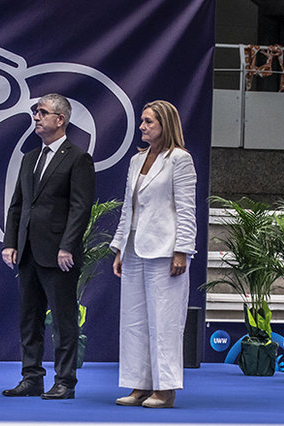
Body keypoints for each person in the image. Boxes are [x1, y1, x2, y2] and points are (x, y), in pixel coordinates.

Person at [1, 93, 95, 400]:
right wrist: (11, 242)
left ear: (60, 119)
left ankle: (65, 381)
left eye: (42, 112)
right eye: (35, 112)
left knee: (63, 319)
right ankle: (31, 377)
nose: (36, 117)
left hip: (59, 255)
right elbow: (17, 205)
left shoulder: (78, 158)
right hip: (28, 251)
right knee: (29, 317)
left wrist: (68, 246)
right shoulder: (29, 158)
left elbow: (81, 208)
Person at [109, 100, 197, 408]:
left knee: (165, 322)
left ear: (165, 125)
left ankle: (166, 388)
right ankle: (140, 385)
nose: (143, 126)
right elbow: (127, 208)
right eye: (142, 122)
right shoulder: (137, 160)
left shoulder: (180, 160)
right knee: (134, 321)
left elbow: (187, 209)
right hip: (134, 248)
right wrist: (119, 247)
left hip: (165, 251)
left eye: (149, 122)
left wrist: (182, 251)